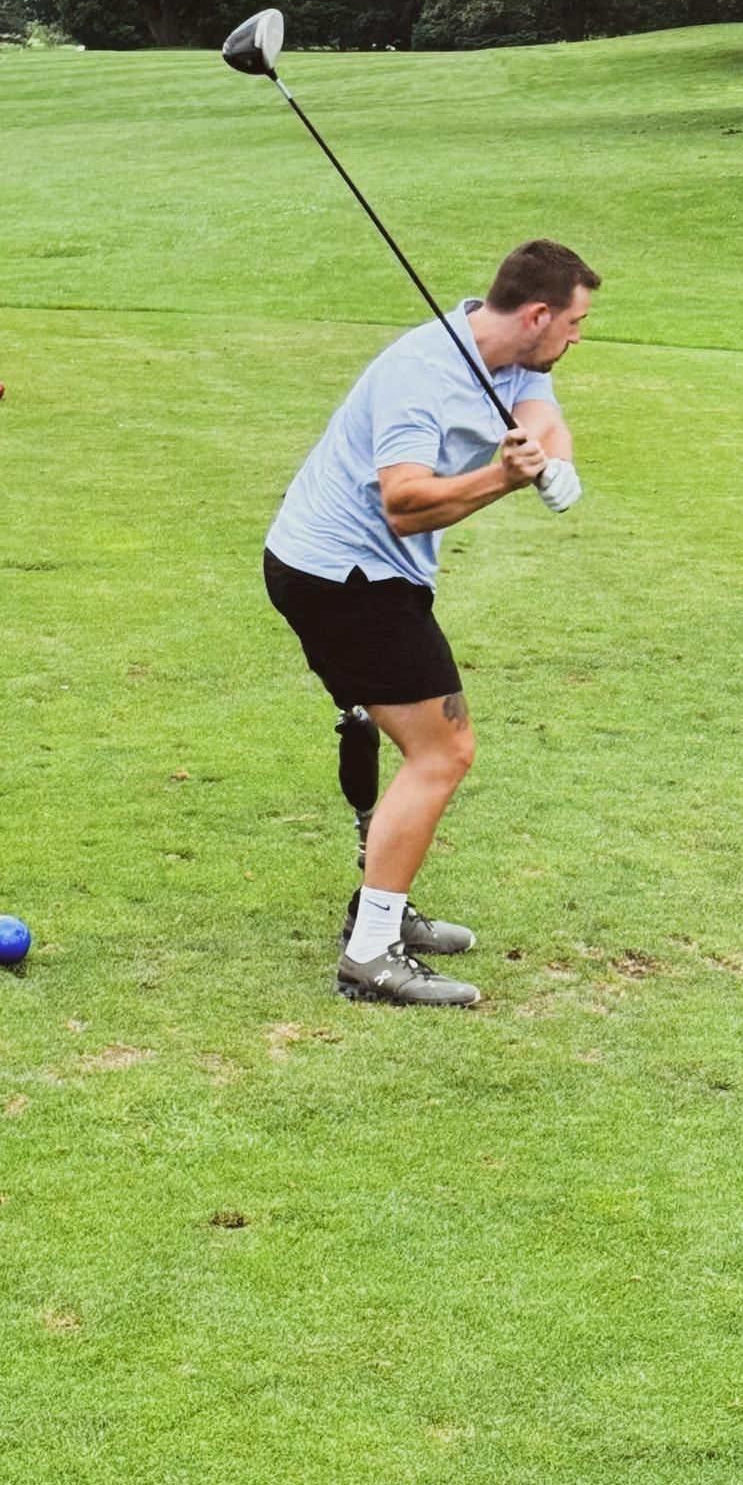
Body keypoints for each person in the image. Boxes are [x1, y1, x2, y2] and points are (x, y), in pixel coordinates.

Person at [263, 239, 600, 1006]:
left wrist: (554, 463)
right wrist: (504, 479)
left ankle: (380, 909)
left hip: (362, 573)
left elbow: (540, 417)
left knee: (428, 747)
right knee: (441, 752)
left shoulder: (512, 353)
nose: (579, 337)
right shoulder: (423, 374)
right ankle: (371, 953)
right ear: (539, 314)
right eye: (576, 322)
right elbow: (405, 500)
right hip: (342, 577)